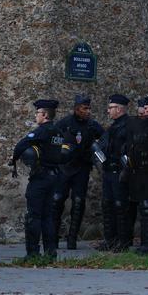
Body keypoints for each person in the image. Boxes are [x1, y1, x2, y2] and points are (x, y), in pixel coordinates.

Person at [11, 98, 70, 260]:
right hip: (54, 177)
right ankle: (51, 253)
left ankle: (33, 253)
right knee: (48, 217)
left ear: (44, 114)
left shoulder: (41, 131)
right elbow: (65, 155)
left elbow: (21, 145)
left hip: (41, 178)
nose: (36, 116)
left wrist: (14, 159)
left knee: (34, 216)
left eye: (37, 113)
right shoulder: (58, 132)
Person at [52, 95, 104, 250]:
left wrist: (96, 151)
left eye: (89, 108)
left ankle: (72, 238)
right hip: (64, 169)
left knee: (79, 201)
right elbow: (53, 139)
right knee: (57, 200)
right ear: (76, 108)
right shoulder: (64, 123)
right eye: (84, 108)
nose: (87, 111)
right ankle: (53, 237)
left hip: (82, 168)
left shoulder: (92, 125)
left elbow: (106, 139)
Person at [124, 96, 148, 254]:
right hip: (138, 171)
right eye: (145, 108)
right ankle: (146, 243)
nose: (147, 111)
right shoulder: (137, 124)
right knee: (144, 208)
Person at [98, 93, 133, 251]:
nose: (108, 111)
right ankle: (109, 239)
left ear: (119, 109)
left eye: (111, 108)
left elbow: (130, 151)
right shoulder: (112, 127)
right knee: (107, 206)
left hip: (120, 172)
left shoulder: (128, 126)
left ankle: (123, 241)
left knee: (120, 207)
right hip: (108, 171)